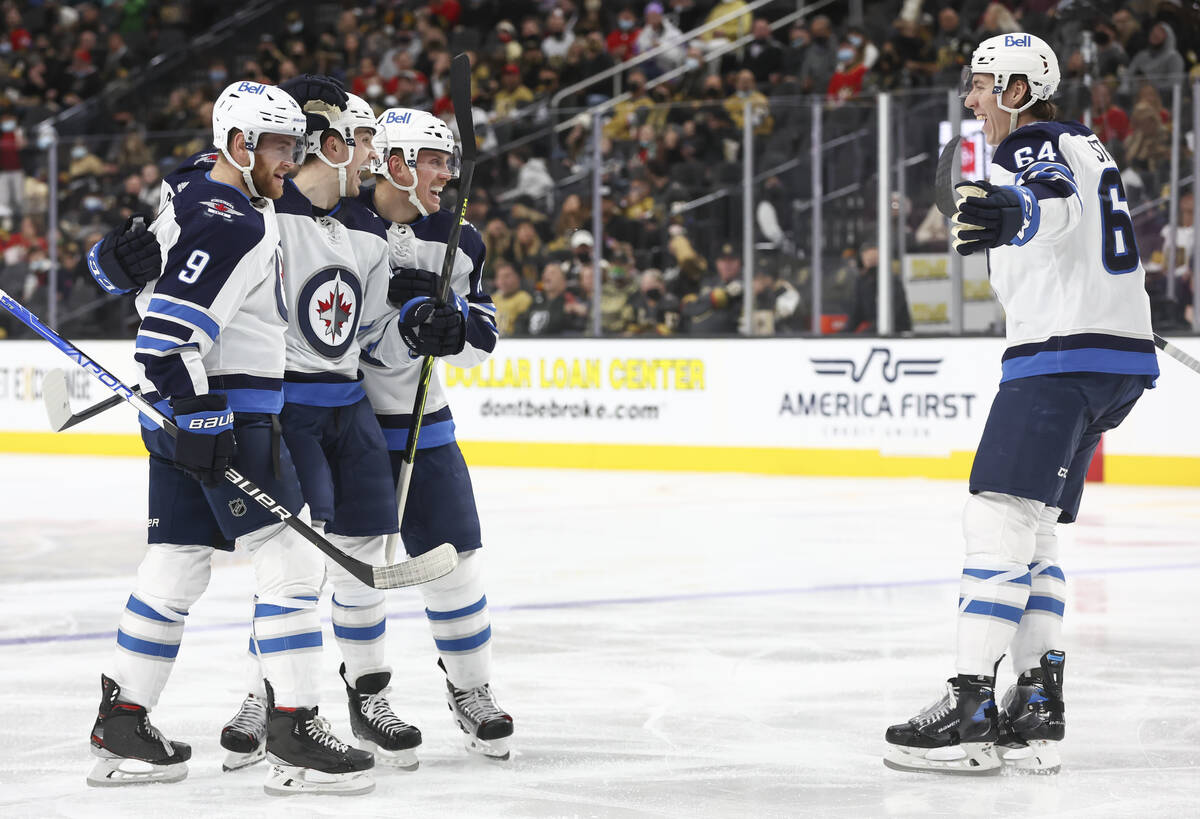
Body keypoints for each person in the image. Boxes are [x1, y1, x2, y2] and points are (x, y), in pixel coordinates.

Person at [83, 80, 376, 796]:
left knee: (177, 561)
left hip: (181, 415)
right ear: (241, 145)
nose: (292, 158)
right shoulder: (236, 221)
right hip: (227, 415)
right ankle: (295, 726)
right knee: (294, 569)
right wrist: (204, 416)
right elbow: (163, 340)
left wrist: (106, 261)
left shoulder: (193, 189)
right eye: (279, 145)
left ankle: (123, 717)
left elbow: (134, 266)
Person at [884, 34, 1159, 776]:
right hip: (1113, 363)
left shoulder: (1031, 143)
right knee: (1035, 534)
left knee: (997, 519)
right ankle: (1035, 709)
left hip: (1058, 362)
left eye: (980, 85)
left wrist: (1013, 211)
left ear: (1016, 86)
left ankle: (970, 713)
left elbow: (1053, 205)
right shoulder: (1087, 144)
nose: (971, 100)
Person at [357, 107, 515, 760]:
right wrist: (400, 323)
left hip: (428, 427)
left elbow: (486, 335)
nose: (448, 174)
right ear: (394, 162)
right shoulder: (340, 228)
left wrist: (455, 329)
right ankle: (277, 694)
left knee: (458, 560)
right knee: (324, 572)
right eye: (434, 160)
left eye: (451, 161)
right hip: (348, 423)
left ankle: (470, 688)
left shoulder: (460, 237)